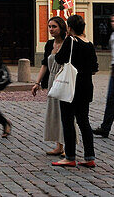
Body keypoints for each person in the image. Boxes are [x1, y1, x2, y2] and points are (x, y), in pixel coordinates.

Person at [51, 14, 98, 168]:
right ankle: (89, 157)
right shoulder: (89, 44)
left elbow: (59, 59)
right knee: (84, 122)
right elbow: (94, 68)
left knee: (68, 121)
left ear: (69, 28)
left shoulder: (71, 41)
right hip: (86, 87)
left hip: (71, 86)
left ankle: (70, 157)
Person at [31, 16, 68, 156]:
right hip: (52, 81)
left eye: (54, 27)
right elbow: (44, 65)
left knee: (65, 114)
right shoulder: (49, 44)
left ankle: (68, 145)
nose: (51, 29)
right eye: (50, 27)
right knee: (54, 113)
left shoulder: (67, 43)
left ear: (61, 28)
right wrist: (37, 82)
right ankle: (59, 146)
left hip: (64, 81)